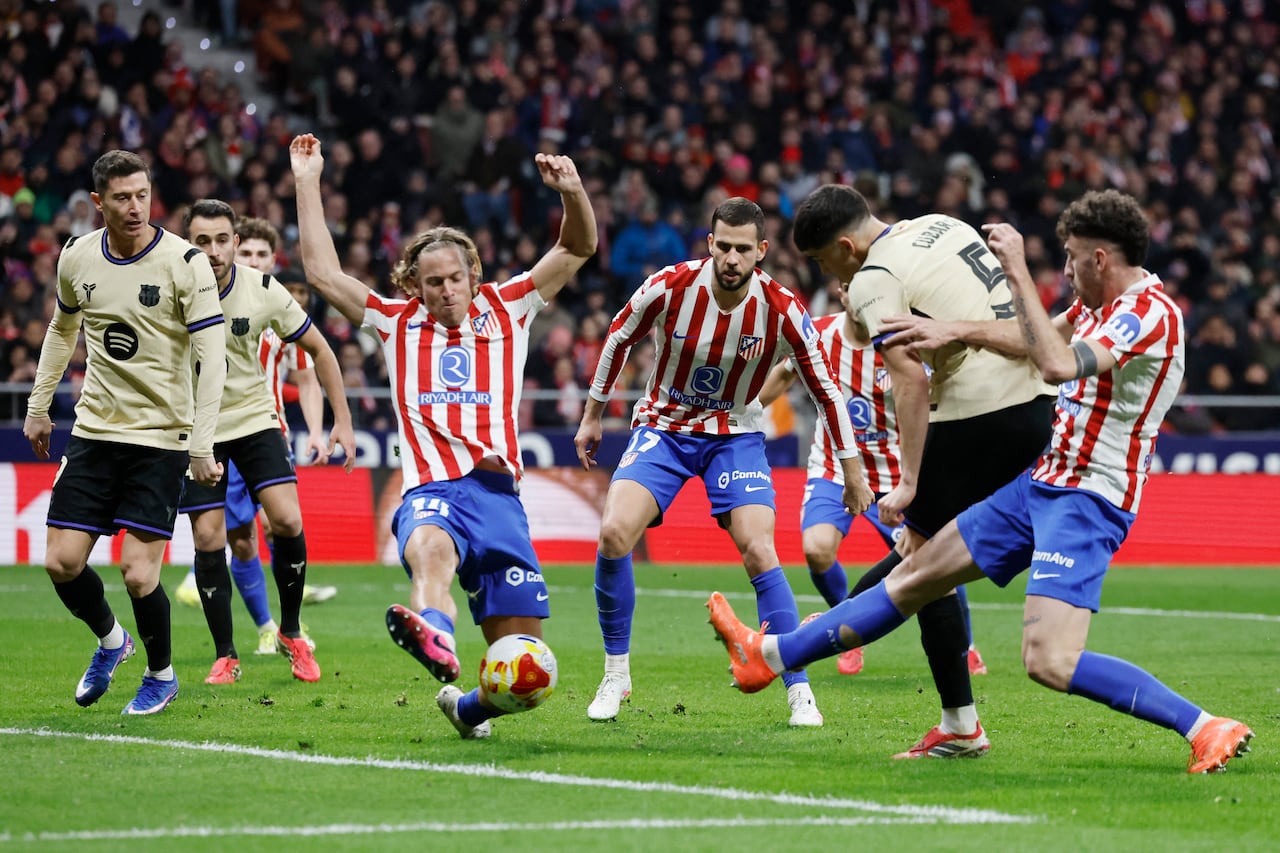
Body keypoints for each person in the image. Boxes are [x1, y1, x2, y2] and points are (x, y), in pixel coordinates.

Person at [708, 189, 1255, 774]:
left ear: (1100, 260)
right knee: (917, 573)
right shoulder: (1098, 306)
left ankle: (1204, 726)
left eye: (1070, 258)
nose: (1065, 271)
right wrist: (952, 331)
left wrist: (1017, 268)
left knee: (1049, 661)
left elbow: (1055, 362)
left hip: (1089, 496)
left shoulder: (1151, 314)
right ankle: (770, 656)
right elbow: (1028, 337)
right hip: (1041, 481)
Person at [290, 132, 597, 738]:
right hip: (434, 489)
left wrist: (573, 192)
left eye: (454, 278)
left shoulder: (512, 305)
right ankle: (435, 631)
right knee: (430, 548)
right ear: (415, 287)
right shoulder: (395, 321)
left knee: (529, 665)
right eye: (433, 283)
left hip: (501, 499)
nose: (446, 291)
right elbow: (322, 273)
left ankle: (467, 709)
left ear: (472, 274)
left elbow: (579, 245)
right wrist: (307, 181)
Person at [757, 184, 1056, 757]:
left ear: (846, 246)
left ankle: (791, 653)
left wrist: (912, 480)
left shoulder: (870, 278)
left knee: (920, 563)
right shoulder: (941, 224)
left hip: (977, 412)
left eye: (824, 262)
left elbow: (910, 378)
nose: (832, 278)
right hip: (1037, 402)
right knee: (923, 558)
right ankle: (816, 646)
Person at [575, 196, 873, 727]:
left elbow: (825, 388)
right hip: (664, 428)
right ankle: (616, 673)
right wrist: (593, 414)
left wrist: (853, 469)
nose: (731, 258)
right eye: (723, 246)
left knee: (760, 549)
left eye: (743, 249)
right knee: (614, 534)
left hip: (735, 433)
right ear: (710, 243)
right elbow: (618, 339)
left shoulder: (782, 308)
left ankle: (798, 687)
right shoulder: (669, 287)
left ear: (760, 251)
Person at [23, 149, 227, 715]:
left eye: (142, 195)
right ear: (98, 203)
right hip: (94, 433)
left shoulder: (184, 263)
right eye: (121, 198)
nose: (135, 207)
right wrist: (40, 406)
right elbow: (62, 331)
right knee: (61, 563)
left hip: (161, 438)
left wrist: (202, 443)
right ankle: (113, 643)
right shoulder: (77, 257)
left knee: (139, 573)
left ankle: (161, 676)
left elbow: (213, 358)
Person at [757, 294, 987, 679]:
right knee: (816, 550)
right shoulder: (820, 333)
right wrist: (742, 413)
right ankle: (849, 629)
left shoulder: (903, 339)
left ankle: (965, 645)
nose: (855, 294)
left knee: (933, 558)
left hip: (898, 474)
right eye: (848, 286)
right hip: (836, 467)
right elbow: (783, 373)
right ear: (841, 291)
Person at [178, 198, 356, 685]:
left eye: (221, 240)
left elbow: (318, 349)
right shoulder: (172, 290)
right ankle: (225, 654)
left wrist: (341, 420)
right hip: (200, 431)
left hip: (257, 421)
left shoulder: (264, 289)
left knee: (287, 519)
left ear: (234, 243)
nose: (212, 251)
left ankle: (292, 633)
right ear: (186, 245)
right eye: (201, 241)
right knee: (212, 538)